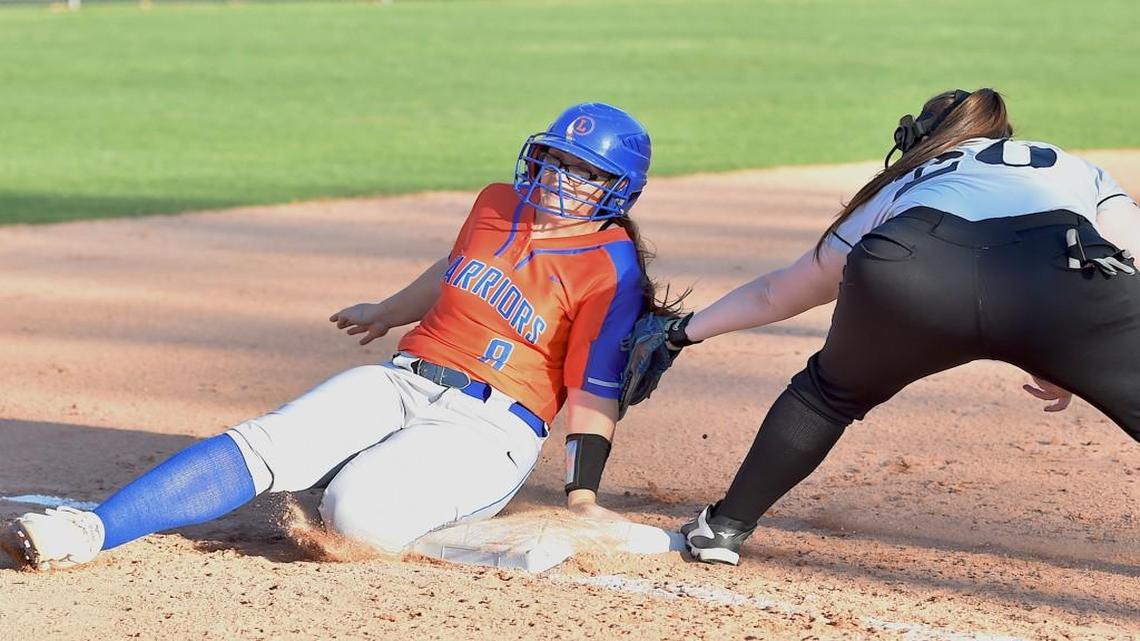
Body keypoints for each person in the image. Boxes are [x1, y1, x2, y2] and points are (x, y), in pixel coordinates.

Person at [9, 102, 676, 570]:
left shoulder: (609, 271)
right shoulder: (496, 202)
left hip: (490, 430)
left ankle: (515, 536)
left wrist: (583, 497)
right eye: (556, 158)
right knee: (266, 442)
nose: (561, 177)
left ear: (618, 190)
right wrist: (391, 309)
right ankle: (89, 530)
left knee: (352, 515)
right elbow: (457, 269)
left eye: (583, 170)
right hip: (404, 377)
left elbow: (593, 390)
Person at [669, 88, 1140, 565]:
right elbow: (1131, 252)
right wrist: (1071, 338)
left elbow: (781, 293)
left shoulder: (910, 178)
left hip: (912, 270)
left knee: (825, 396)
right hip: (1051, 282)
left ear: (926, 137)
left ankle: (725, 529)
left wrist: (684, 330)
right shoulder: (1068, 165)